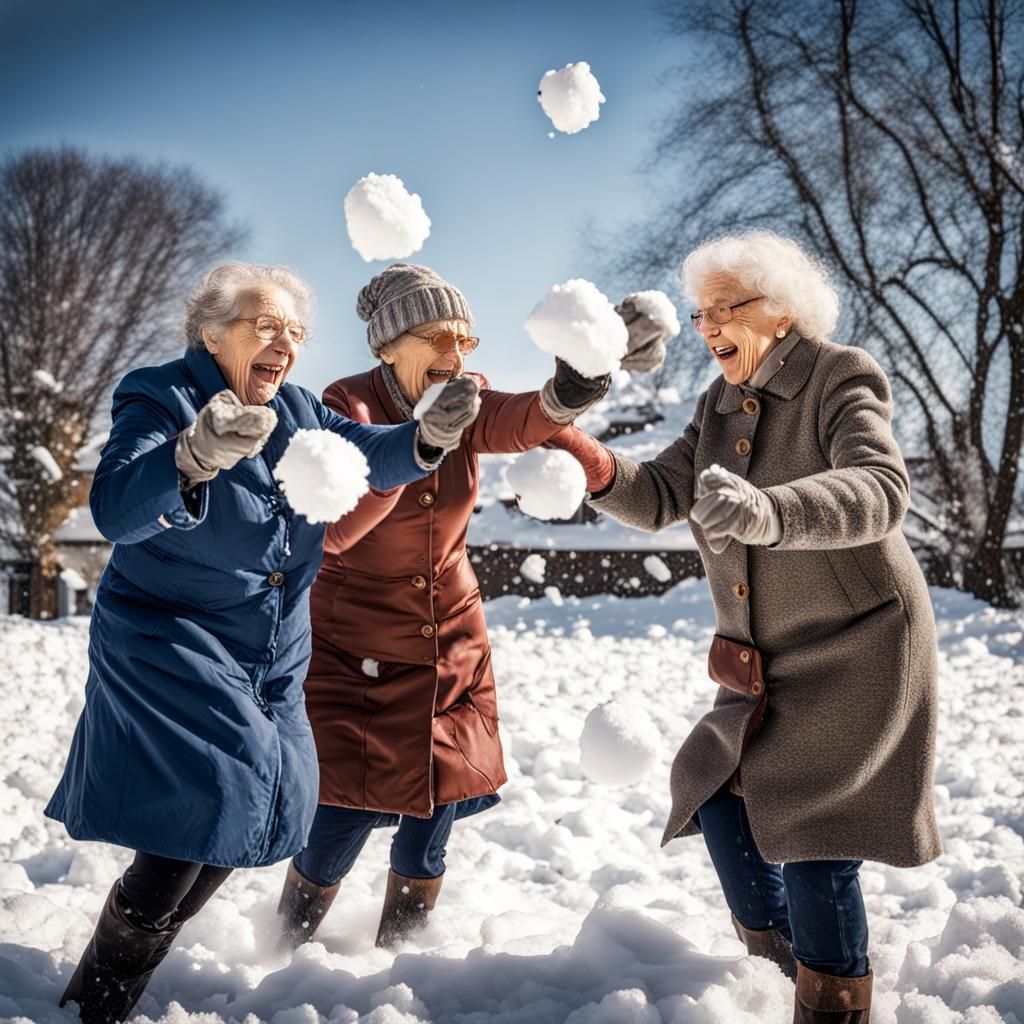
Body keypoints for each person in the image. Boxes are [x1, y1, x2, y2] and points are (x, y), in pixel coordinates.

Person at [45, 261, 482, 1024]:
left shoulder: (301, 408)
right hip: (173, 636)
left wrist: (424, 441)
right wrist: (191, 456)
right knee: (213, 797)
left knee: (260, 806)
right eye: (265, 326)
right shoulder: (159, 394)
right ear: (212, 333)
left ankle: (133, 957)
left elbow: (364, 453)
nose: (284, 343)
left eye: (296, 332)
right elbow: (116, 506)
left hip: (273, 653)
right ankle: (97, 999)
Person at [558, 232, 940, 1024]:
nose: (709, 325)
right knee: (720, 795)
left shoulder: (841, 375)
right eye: (703, 312)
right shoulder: (720, 401)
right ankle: (781, 968)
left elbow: (880, 487)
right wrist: (588, 463)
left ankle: (833, 1004)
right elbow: (664, 492)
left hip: (859, 644)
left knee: (814, 835)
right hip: (766, 658)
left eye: (727, 307)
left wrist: (770, 511)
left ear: (785, 311)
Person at [275, 263, 673, 949]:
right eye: (436, 337)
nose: (455, 356)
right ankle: (277, 953)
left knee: (434, 816)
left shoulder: (465, 396)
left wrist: (577, 381)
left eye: (466, 341)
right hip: (354, 651)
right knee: (336, 824)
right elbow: (336, 529)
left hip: (451, 647)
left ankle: (401, 961)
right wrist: (422, 447)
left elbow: (526, 421)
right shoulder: (343, 409)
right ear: (388, 345)